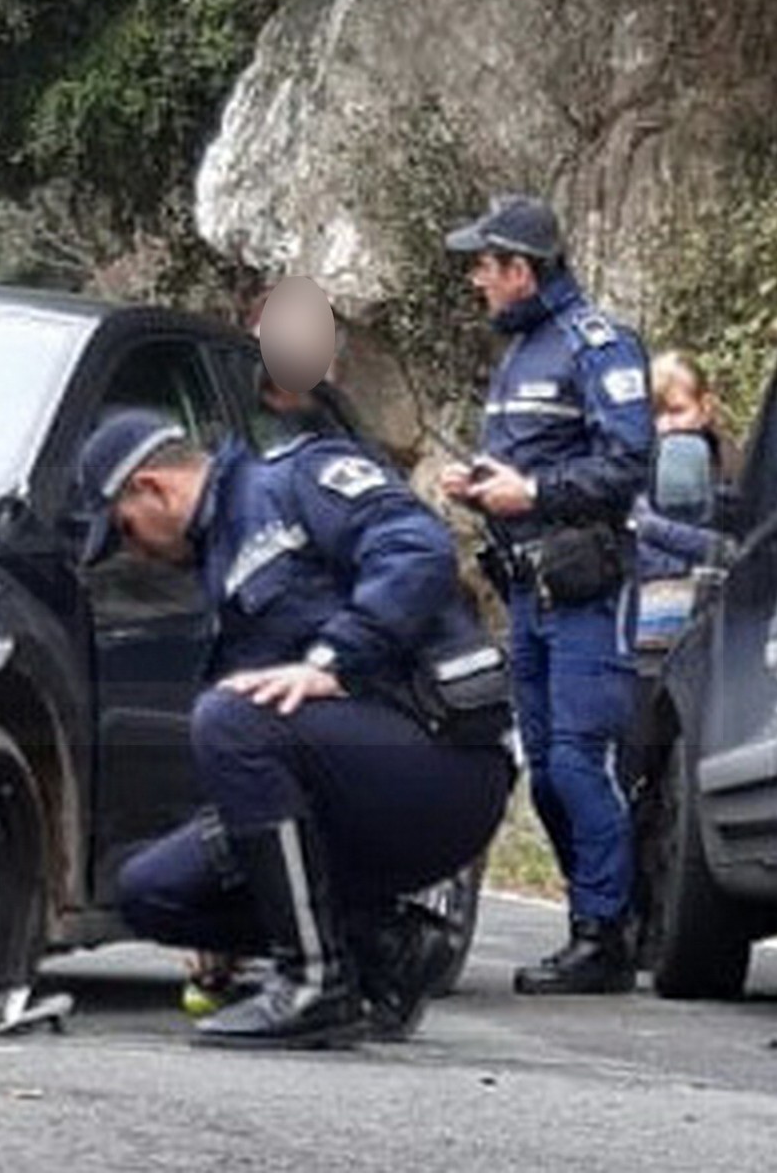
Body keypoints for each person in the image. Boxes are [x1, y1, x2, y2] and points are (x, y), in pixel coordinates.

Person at [78, 408, 514, 1047]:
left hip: (442, 761)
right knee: (153, 891)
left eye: (124, 529)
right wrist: (243, 897)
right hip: (348, 788)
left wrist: (333, 659)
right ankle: (388, 950)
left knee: (228, 720)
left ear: (153, 488)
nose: (132, 550)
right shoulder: (220, 566)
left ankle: (315, 983)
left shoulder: (298, 481)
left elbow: (419, 550)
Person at [440, 193, 654, 995]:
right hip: (525, 594)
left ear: (521, 270)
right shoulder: (521, 352)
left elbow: (626, 464)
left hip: (585, 592)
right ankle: (591, 922)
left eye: (484, 266)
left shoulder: (595, 346)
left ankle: (605, 936)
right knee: (545, 771)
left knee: (575, 763)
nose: (475, 281)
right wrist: (486, 485)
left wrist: (531, 491)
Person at [634, 349, 739, 583]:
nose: (664, 425)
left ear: (705, 407)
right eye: (654, 414)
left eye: (677, 411)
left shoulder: (732, 463)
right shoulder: (637, 464)